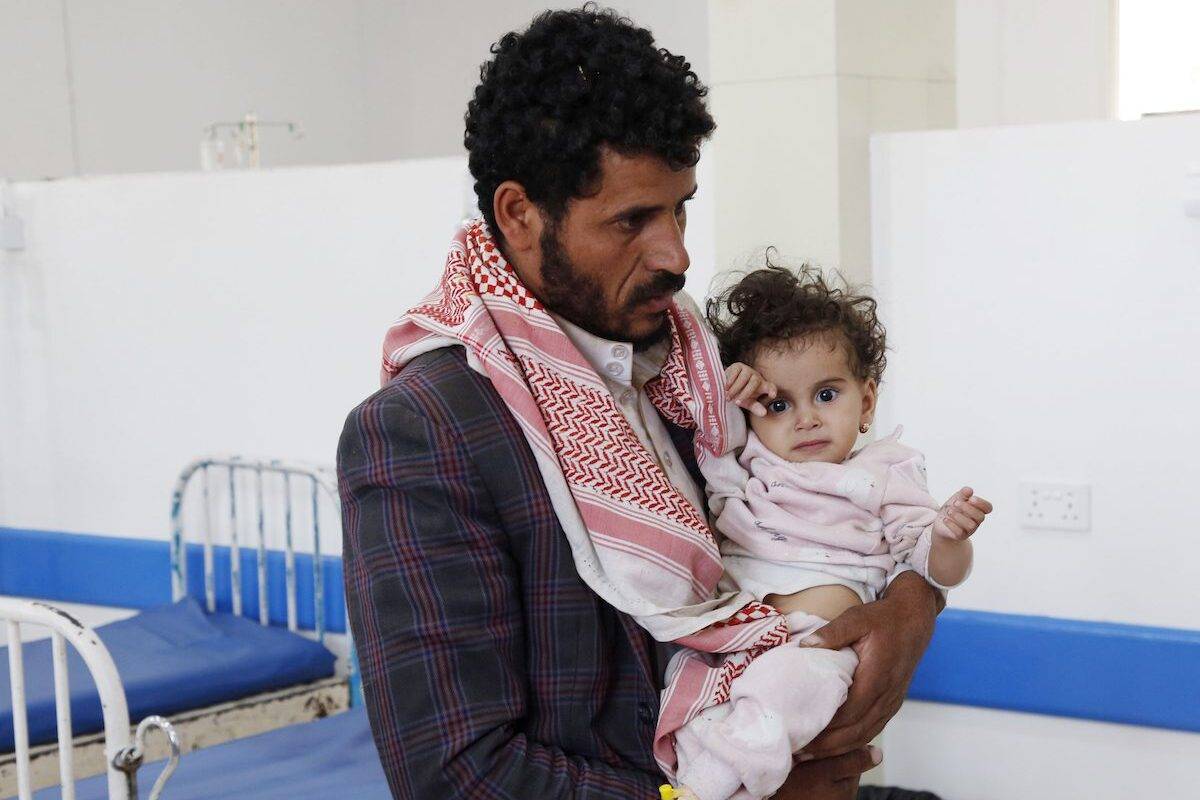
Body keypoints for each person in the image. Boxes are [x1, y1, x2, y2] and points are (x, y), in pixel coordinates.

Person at [338, 7, 945, 799]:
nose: (677, 254)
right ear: (520, 215)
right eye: (632, 219)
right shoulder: (423, 431)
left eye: (681, 206)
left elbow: (841, 509)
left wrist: (911, 604)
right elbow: (457, 773)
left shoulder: (696, 374)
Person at [657, 265, 992, 800]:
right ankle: (694, 780)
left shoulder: (885, 473)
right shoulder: (748, 468)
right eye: (779, 404)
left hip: (820, 647)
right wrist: (726, 394)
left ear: (867, 400)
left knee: (784, 692)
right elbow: (710, 439)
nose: (806, 419)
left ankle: (703, 791)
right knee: (700, 715)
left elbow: (934, 568)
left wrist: (950, 536)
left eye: (826, 395)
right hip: (736, 638)